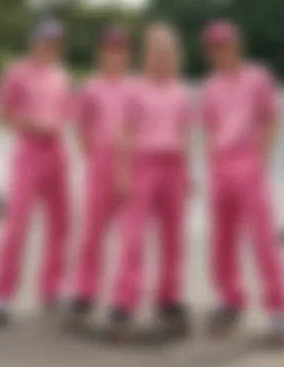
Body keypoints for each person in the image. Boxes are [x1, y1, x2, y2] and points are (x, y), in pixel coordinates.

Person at [200, 20, 284, 347]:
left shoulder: (258, 78)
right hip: (221, 164)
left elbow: (271, 118)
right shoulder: (211, 86)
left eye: (225, 44)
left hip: (247, 159)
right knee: (222, 241)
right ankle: (231, 300)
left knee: (262, 239)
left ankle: (280, 311)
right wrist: (211, 162)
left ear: (236, 45)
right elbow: (210, 126)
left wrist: (261, 160)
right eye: (214, 46)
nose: (220, 51)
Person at [107, 23, 195, 341]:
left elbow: (184, 135)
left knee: (174, 238)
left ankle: (168, 299)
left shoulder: (181, 92)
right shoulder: (134, 89)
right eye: (157, 50)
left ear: (176, 55)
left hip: (173, 164)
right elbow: (125, 132)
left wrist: (187, 173)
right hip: (143, 163)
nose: (163, 56)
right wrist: (122, 173)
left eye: (168, 50)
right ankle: (124, 301)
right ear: (148, 54)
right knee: (134, 237)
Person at [0, 18, 72, 328]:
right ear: (34, 41)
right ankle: (1, 296)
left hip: (57, 151)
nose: (51, 46)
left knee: (60, 224)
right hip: (30, 150)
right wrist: (29, 123)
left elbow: (66, 112)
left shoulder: (61, 74)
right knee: (17, 224)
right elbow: (0, 114)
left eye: (56, 41)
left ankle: (51, 288)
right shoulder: (17, 72)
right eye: (46, 40)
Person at [62, 26, 133, 328]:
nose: (114, 56)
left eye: (120, 50)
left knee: (131, 236)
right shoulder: (92, 88)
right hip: (101, 162)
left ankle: (124, 297)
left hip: (130, 163)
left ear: (127, 55)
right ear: (101, 53)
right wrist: (95, 158)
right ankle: (85, 291)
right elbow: (81, 126)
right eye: (109, 50)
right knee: (91, 233)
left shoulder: (136, 89)